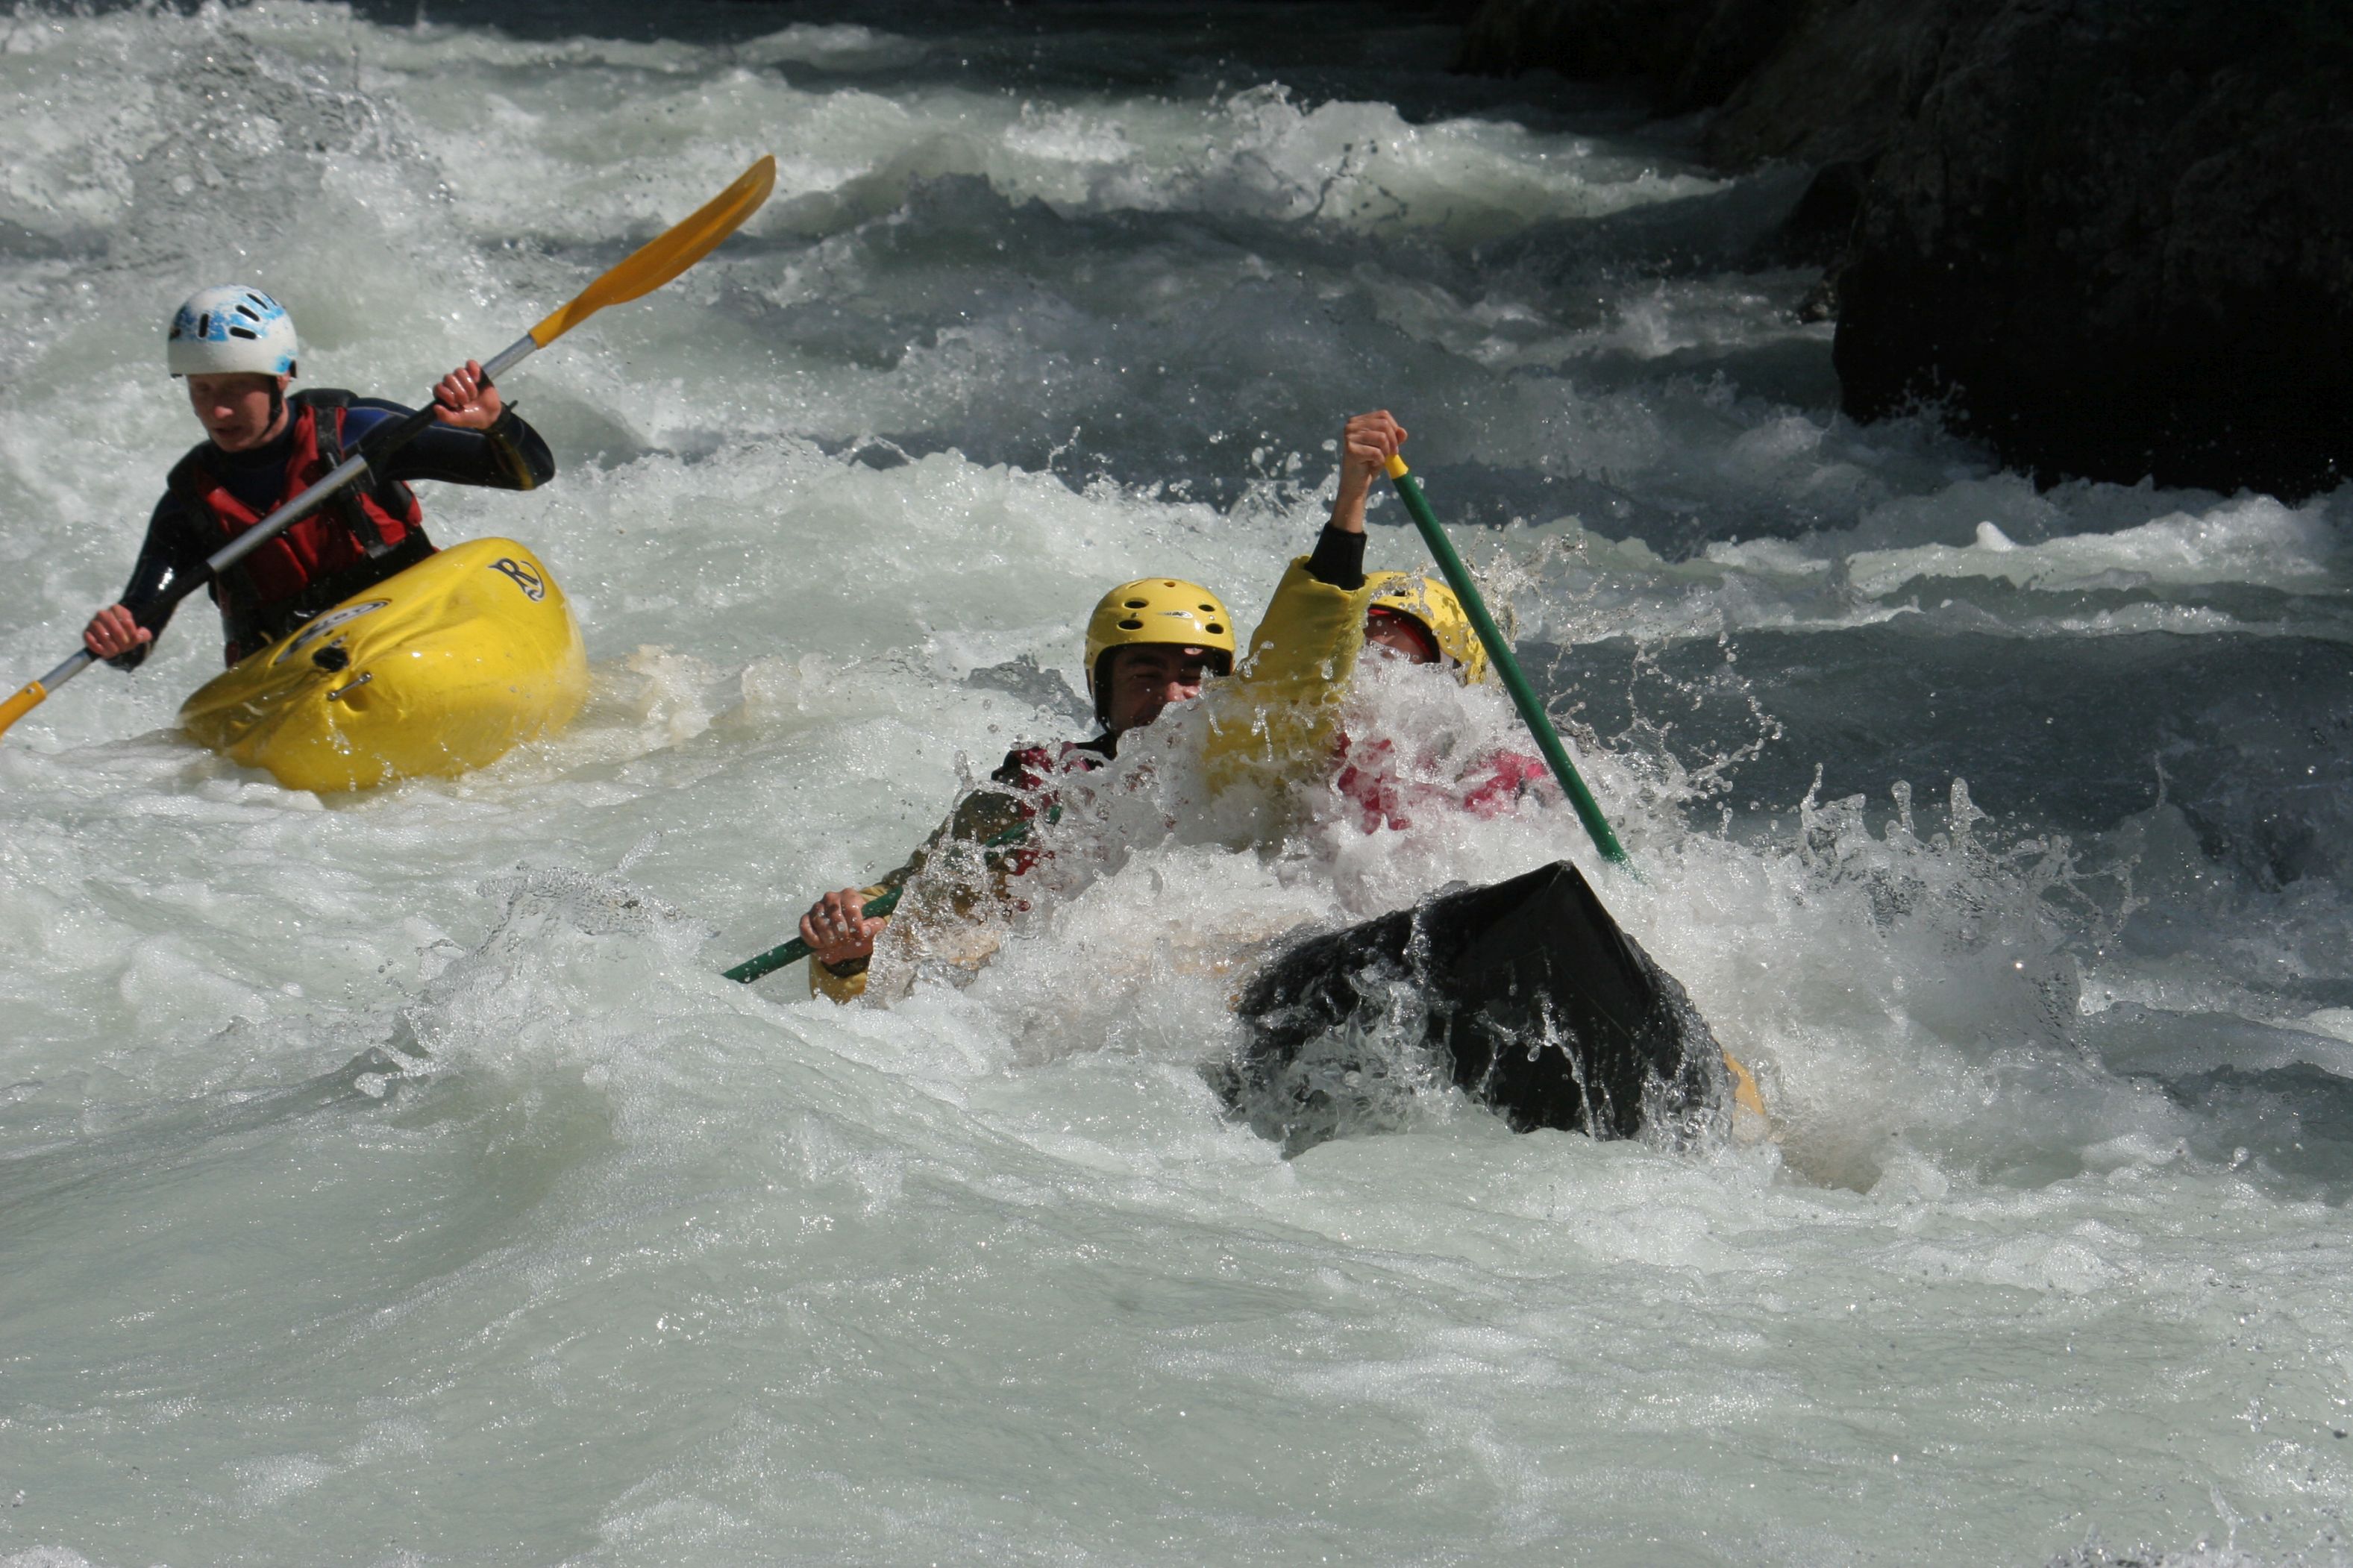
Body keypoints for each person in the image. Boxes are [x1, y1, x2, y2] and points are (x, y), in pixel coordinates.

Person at [794, 577, 1238, 1001]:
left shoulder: (1251, 781)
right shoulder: (1034, 795)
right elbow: (909, 901)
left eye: (1194, 676)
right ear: (1103, 689)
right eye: (1146, 676)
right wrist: (847, 947)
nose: (1172, 697)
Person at [82, 285, 557, 671]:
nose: (218, 409)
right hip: (296, 680)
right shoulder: (191, 500)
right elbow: (137, 637)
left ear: (282, 377)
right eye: (201, 389)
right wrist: (120, 639)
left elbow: (531, 472)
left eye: (235, 388)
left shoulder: (357, 433)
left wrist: (497, 424)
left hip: (413, 634)